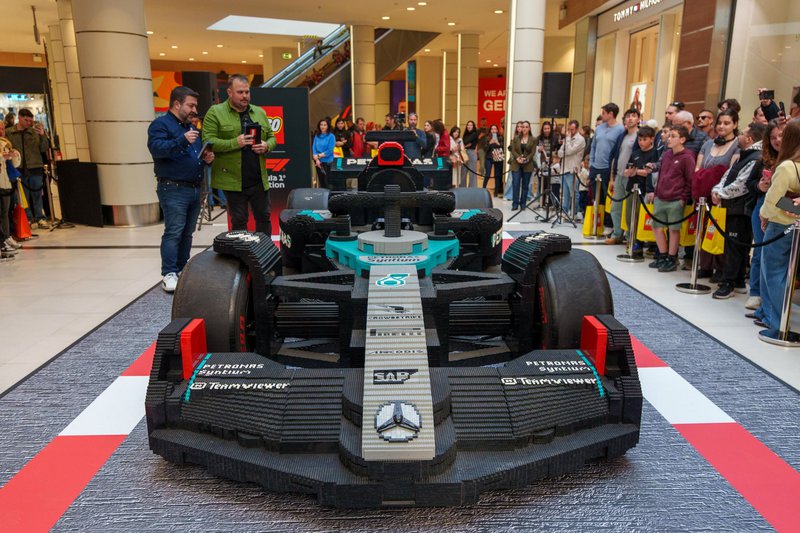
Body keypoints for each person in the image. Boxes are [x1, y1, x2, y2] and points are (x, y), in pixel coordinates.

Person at [147, 86, 215, 292]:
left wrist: (206, 159)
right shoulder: (160, 125)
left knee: (187, 233)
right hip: (173, 188)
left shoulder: (190, 127)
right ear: (177, 104)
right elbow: (157, 149)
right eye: (190, 105)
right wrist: (181, 141)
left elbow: (193, 157)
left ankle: (182, 268)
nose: (195, 110)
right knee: (174, 232)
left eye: (195, 105)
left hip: (194, 188)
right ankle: (169, 273)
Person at [203, 74, 277, 235]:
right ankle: (240, 251)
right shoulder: (215, 112)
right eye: (240, 92)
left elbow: (272, 137)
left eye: (247, 92)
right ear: (229, 92)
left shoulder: (259, 112)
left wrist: (266, 146)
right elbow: (208, 141)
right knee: (239, 221)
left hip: (259, 180)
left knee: (264, 218)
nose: (245, 96)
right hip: (232, 180)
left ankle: (265, 251)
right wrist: (235, 142)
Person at [710, 122, 766, 299]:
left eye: (742, 133)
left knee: (735, 246)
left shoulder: (756, 157)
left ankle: (728, 283)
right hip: (734, 206)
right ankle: (739, 280)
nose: (739, 136)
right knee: (738, 245)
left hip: (741, 207)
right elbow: (728, 174)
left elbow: (742, 184)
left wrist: (721, 194)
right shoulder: (745, 154)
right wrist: (717, 189)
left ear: (749, 138)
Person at [757, 119, 800, 340]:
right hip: (795, 225)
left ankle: (777, 323)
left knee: (773, 274)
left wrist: (764, 214)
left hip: (780, 225)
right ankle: (775, 318)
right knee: (784, 274)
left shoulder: (786, 167)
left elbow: (772, 199)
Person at [694, 109, 740, 276]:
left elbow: (732, 172)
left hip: (723, 196)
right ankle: (705, 266)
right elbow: (698, 167)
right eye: (719, 123)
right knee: (705, 230)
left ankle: (720, 268)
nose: (722, 126)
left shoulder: (737, 145)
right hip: (704, 194)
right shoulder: (708, 144)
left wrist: (719, 191)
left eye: (727, 123)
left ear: (735, 124)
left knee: (720, 232)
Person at [745, 120, 784, 312]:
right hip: (762, 206)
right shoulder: (763, 159)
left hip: (785, 210)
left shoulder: (793, 160)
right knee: (760, 252)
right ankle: (755, 292)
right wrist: (759, 186)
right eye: (773, 137)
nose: (777, 140)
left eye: (781, 136)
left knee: (777, 258)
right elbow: (749, 184)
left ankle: (773, 302)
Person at [647, 125, 694, 272]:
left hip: (676, 199)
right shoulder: (667, 154)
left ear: (682, 139)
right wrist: (656, 192)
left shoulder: (687, 157)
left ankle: (672, 258)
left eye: (673, 136)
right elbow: (661, 174)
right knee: (657, 227)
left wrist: (683, 198)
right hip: (661, 196)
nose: (669, 139)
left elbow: (690, 179)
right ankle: (662, 254)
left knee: (674, 229)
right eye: (669, 136)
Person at [6, 108, 50, 229]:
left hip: (35, 166)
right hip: (19, 168)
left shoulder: (34, 132)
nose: (29, 123)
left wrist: (43, 136)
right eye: (26, 120)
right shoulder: (9, 132)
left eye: (31, 120)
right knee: (23, 197)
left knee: (37, 195)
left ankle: (40, 217)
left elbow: (44, 148)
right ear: (19, 117)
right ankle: (28, 219)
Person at [606, 108, 641, 244]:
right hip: (619, 175)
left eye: (633, 116)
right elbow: (614, 157)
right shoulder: (622, 136)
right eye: (628, 116)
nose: (630, 118)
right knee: (616, 207)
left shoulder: (640, 136)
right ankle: (617, 234)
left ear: (638, 119)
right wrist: (612, 178)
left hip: (632, 178)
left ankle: (630, 236)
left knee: (630, 209)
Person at [624, 125, 659, 257]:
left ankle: (641, 243)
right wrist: (628, 172)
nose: (641, 142)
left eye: (645, 139)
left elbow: (650, 172)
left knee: (641, 218)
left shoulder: (654, 153)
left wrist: (637, 172)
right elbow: (628, 169)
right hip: (631, 188)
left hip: (644, 190)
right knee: (630, 217)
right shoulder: (635, 153)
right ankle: (632, 240)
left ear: (652, 139)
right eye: (639, 139)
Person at [589, 103, 625, 209]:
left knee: (607, 197)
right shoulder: (599, 128)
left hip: (608, 169)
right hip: (595, 167)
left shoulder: (620, 130)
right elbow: (593, 146)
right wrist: (591, 162)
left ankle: (606, 218)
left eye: (604, 113)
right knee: (596, 197)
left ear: (611, 114)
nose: (602, 115)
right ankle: (597, 217)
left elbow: (619, 151)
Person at [0, 121, 21, 260]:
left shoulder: (6, 143)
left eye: (2, 128)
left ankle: (7, 237)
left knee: (5, 212)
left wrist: (15, 155)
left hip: (6, 183)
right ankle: (3, 241)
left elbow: (15, 164)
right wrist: (2, 157)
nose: (1, 131)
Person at [557, 120, 585, 217]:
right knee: (565, 193)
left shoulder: (580, 139)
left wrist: (568, 140)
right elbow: (560, 153)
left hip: (572, 170)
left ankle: (574, 213)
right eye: (569, 129)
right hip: (564, 168)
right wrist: (566, 147)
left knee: (573, 193)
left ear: (577, 129)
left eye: (572, 129)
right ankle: (565, 211)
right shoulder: (567, 139)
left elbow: (569, 151)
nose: (570, 131)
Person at [510, 121, 536, 210]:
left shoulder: (533, 139)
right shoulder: (516, 138)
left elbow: (533, 152)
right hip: (516, 164)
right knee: (515, 184)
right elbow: (513, 150)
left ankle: (523, 203)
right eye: (523, 127)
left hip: (528, 165)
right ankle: (515, 204)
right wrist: (518, 158)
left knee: (525, 185)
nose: (524, 128)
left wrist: (526, 159)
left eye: (526, 127)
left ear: (529, 128)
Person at [311, 118, 335, 188]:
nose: (323, 126)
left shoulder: (331, 136)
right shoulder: (316, 136)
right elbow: (314, 148)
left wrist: (318, 156)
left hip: (328, 162)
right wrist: (317, 160)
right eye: (321, 125)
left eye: (325, 125)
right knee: (321, 182)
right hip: (318, 163)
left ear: (328, 126)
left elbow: (330, 150)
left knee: (328, 183)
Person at [485, 124, 504, 197]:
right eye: (492, 129)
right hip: (489, 157)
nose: (493, 130)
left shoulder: (500, 137)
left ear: (497, 130)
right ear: (490, 130)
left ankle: (496, 192)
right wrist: (490, 143)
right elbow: (485, 149)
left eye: (495, 129)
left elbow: (503, 147)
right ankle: (483, 189)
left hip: (498, 157)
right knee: (487, 174)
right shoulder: (487, 138)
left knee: (497, 175)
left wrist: (497, 143)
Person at [462, 120, 479, 187]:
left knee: (472, 172)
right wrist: (466, 145)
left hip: (471, 153)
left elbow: (465, 141)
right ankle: (462, 188)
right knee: (463, 172)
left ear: (473, 126)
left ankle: (472, 188)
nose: (469, 126)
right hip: (464, 153)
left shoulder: (474, 134)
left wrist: (465, 145)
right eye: (468, 125)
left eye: (471, 125)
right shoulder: (465, 134)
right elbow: (463, 142)